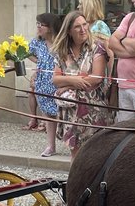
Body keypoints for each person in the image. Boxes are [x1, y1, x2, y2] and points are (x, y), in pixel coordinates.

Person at [52, 11, 110, 157]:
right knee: (76, 154)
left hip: (93, 109)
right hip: (71, 109)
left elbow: (96, 78)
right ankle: (75, 180)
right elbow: (55, 79)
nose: (83, 29)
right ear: (69, 31)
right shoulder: (62, 51)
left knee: (94, 154)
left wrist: (68, 85)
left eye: (85, 25)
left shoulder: (97, 47)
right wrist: (74, 80)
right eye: (77, 27)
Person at [27, 13, 60, 156]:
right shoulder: (37, 43)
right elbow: (27, 53)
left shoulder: (61, 42)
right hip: (42, 81)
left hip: (58, 81)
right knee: (48, 115)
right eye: (37, 24)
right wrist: (39, 64)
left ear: (51, 27)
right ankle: (50, 146)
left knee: (62, 112)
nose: (38, 27)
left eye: (42, 24)